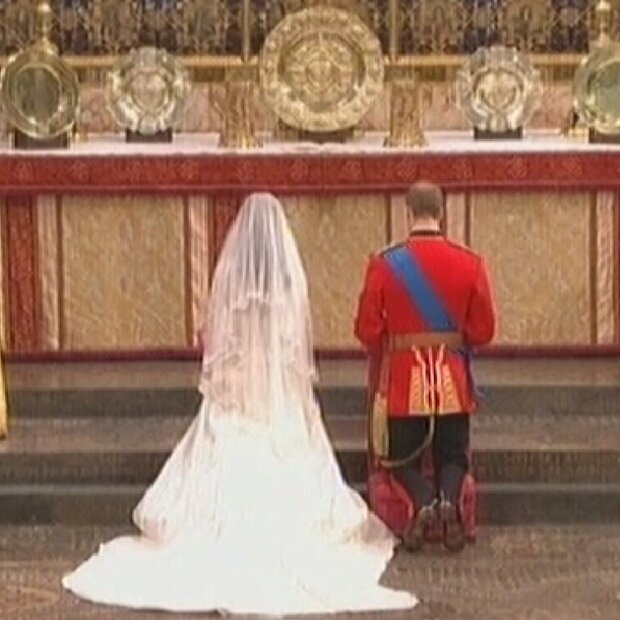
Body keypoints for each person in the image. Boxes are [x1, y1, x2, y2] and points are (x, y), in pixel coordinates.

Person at [63, 192, 417, 615]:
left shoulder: (229, 279)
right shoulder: (290, 284)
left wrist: (226, 380)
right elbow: (294, 353)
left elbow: (216, 345)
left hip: (236, 394)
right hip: (279, 398)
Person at [355, 182, 496, 552]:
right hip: (451, 376)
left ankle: (424, 503)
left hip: (405, 378)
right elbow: (483, 331)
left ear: (408, 212)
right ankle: (448, 502)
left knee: (400, 457)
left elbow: (367, 329)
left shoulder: (385, 264)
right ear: (441, 212)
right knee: (452, 454)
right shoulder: (471, 262)